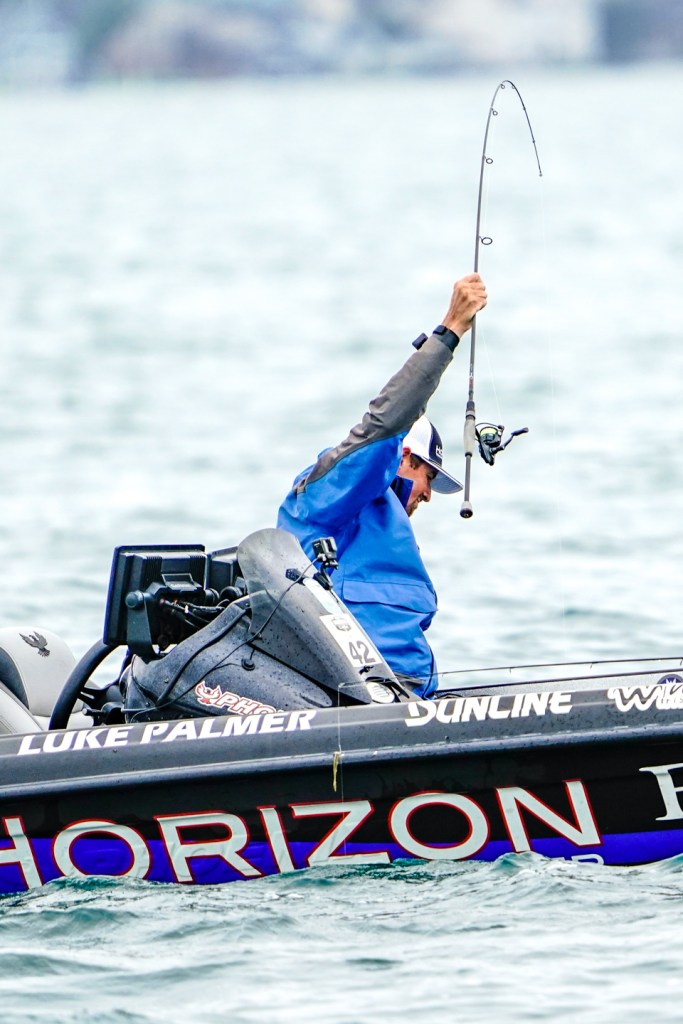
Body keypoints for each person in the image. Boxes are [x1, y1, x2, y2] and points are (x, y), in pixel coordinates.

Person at [277, 273, 487, 698]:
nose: (428, 495)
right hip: (345, 699)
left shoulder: (396, 535)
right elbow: (386, 422)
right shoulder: (331, 496)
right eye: (428, 477)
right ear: (404, 457)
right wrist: (449, 331)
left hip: (410, 698)